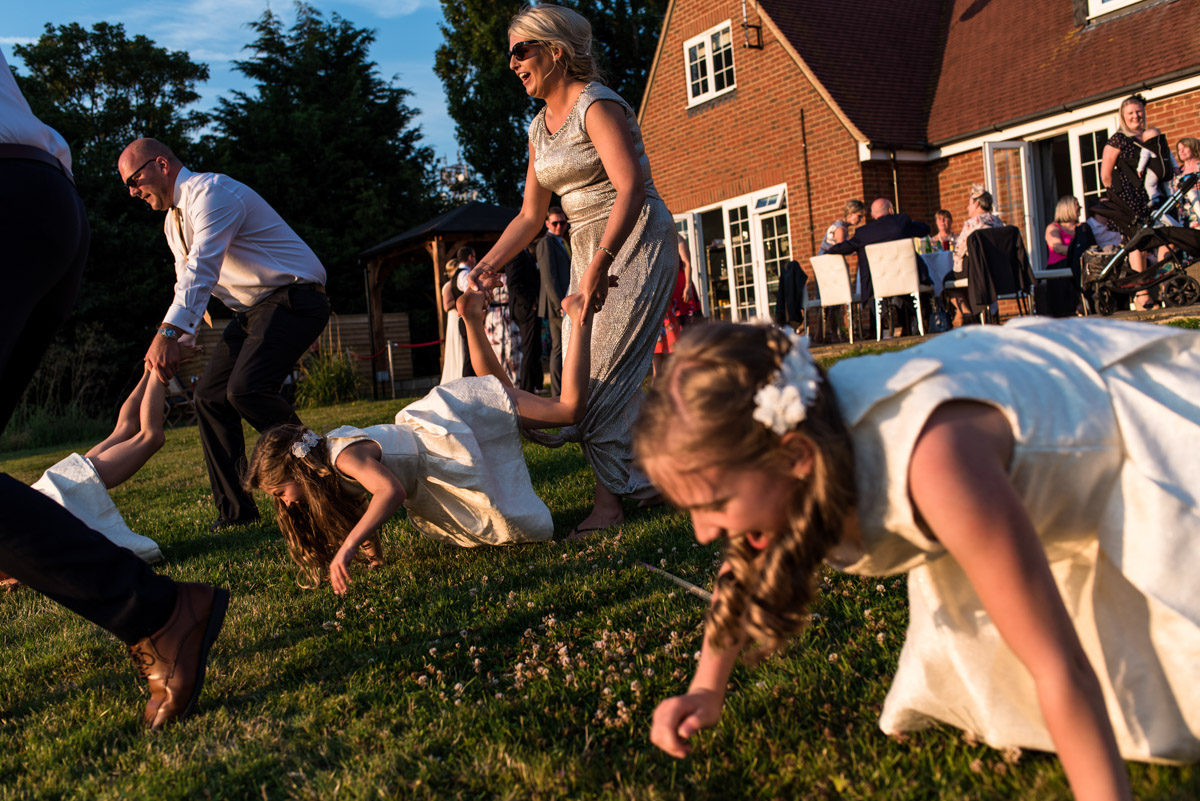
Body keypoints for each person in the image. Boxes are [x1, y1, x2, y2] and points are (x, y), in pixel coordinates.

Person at [641, 318, 1200, 799]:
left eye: (714, 505)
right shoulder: (798, 448)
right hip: (1002, 422)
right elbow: (742, 565)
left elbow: (1061, 667)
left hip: (1119, 423)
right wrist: (705, 689)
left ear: (795, 458)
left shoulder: (939, 469)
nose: (701, 532)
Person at [0, 46, 228, 730]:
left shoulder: (207, 196)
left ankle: (158, 611)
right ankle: (157, 613)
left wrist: (161, 355)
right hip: (42, 200)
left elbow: (146, 432)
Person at [468, 4, 677, 538]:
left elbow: (630, 189)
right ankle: (659, 479)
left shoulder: (598, 106)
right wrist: (486, 268)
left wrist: (598, 270)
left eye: (521, 50)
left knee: (603, 373)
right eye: (509, 53)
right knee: (581, 378)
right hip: (586, 245)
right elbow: (530, 216)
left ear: (555, 51)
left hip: (633, 240)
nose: (512, 63)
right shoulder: (539, 128)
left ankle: (611, 503)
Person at [246, 288, 597, 593]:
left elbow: (390, 492)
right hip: (439, 439)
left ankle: (579, 315)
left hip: (452, 421)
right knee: (500, 388)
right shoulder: (328, 469)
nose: (286, 503)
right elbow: (359, 512)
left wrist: (348, 548)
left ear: (297, 467)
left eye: (280, 493)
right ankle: (472, 318)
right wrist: (374, 560)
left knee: (567, 409)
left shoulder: (341, 457)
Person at [118, 138, 331, 532]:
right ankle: (237, 513)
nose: (132, 191)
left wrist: (166, 331)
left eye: (134, 179)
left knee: (246, 389)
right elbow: (186, 282)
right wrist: (182, 338)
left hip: (294, 297)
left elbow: (203, 269)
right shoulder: (172, 222)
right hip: (255, 310)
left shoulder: (212, 194)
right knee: (211, 397)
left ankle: (323, 474)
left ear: (161, 164)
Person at [826, 198, 930, 337]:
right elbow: (925, 230)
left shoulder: (863, 233)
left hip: (878, 285)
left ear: (873, 215)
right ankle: (920, 321)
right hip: (906, 281)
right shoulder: (901, 222)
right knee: (915, 288)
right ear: (890, 210)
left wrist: (828, 251)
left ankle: (876, 330)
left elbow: (845, 247)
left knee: (886, 290)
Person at [1100, 95, 1160, 308]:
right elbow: (1105, 173)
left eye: (1138, 112)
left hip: (1150, 196)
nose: (1136, 116)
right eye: (1131, 113)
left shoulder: (1148, 136)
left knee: (1156, 241)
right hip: (1128, 197)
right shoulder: (1118, 139)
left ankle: (1159, 284)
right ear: (1123, 117)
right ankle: (1142, 293)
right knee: (1137, 244)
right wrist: (1118, 198)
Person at [945, 184, 1004, 325]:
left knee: (948, 281)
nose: (967, 207)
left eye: (969, 203)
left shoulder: (972, 224)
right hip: (997, 272)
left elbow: (959, 251)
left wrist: (956, 263)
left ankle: (967, 314)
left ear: (977, 203)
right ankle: (976, 314)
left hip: (978, 273)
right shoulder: (998, 222)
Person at [536, 207, 572, 395]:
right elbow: (549, 278)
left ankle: (564, 390)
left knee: (564, 347)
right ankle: (558, 393)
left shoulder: (561, 241)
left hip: (565, 302)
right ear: (547, 224)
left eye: (563, 222)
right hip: (557, 305)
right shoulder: (546, 244)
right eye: (555, 223)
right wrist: (560, 304)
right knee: (558, 348)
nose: (560, 226)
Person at [507, 244, 544, 393]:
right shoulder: (516, 254)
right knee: (529, 350)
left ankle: (533, 386)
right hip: (525, 309)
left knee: (533, 348)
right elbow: (513, 283)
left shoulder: (524, 253)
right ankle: (526, 389)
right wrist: (530, 301)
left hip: (529, 308)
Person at [440, 257, 467, 384]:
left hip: (459, 317)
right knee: (458, 344)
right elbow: (446, 306)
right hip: (454, 318)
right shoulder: (448, 286)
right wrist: (462, 300)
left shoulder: (455, 284)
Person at [1170, 136, 1200, 229]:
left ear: (1193, 147)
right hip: (1187, 215)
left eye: (1184, 148)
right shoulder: (1178, 173)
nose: (1181, 152)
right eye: (1179, 149)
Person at [1045, 195, 1080, 268]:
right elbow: (1057, 248)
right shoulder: (1053, 227)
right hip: (1060, 269)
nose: (1080, 207)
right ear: (1068, 208)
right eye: (1077, 204)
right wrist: (1079, 252)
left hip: (1079, 265)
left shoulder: (1082, 226)